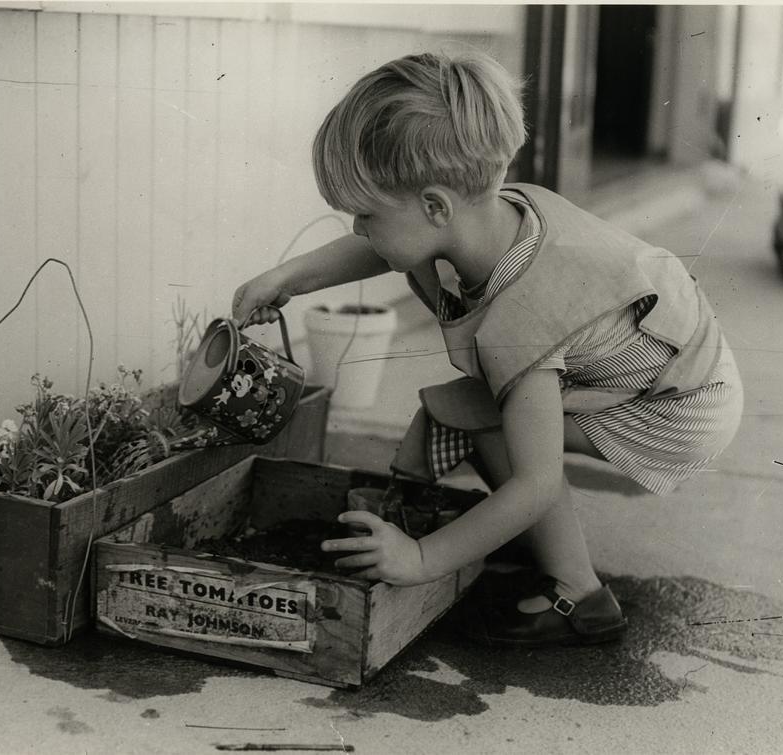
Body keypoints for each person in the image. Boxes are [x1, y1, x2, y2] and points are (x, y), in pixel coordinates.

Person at [230, 51, 743, 647]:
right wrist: (286, 279)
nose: (358, 231)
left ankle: (579, 594)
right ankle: (552, 561)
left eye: (364, 215)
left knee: (489, 420)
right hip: (669, 360)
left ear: (435, 207)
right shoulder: (489, 215)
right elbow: (390, 244)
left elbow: (536, 482)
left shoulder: (522, 319)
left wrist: (420, 560)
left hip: (682, 407)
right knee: (487, 410)